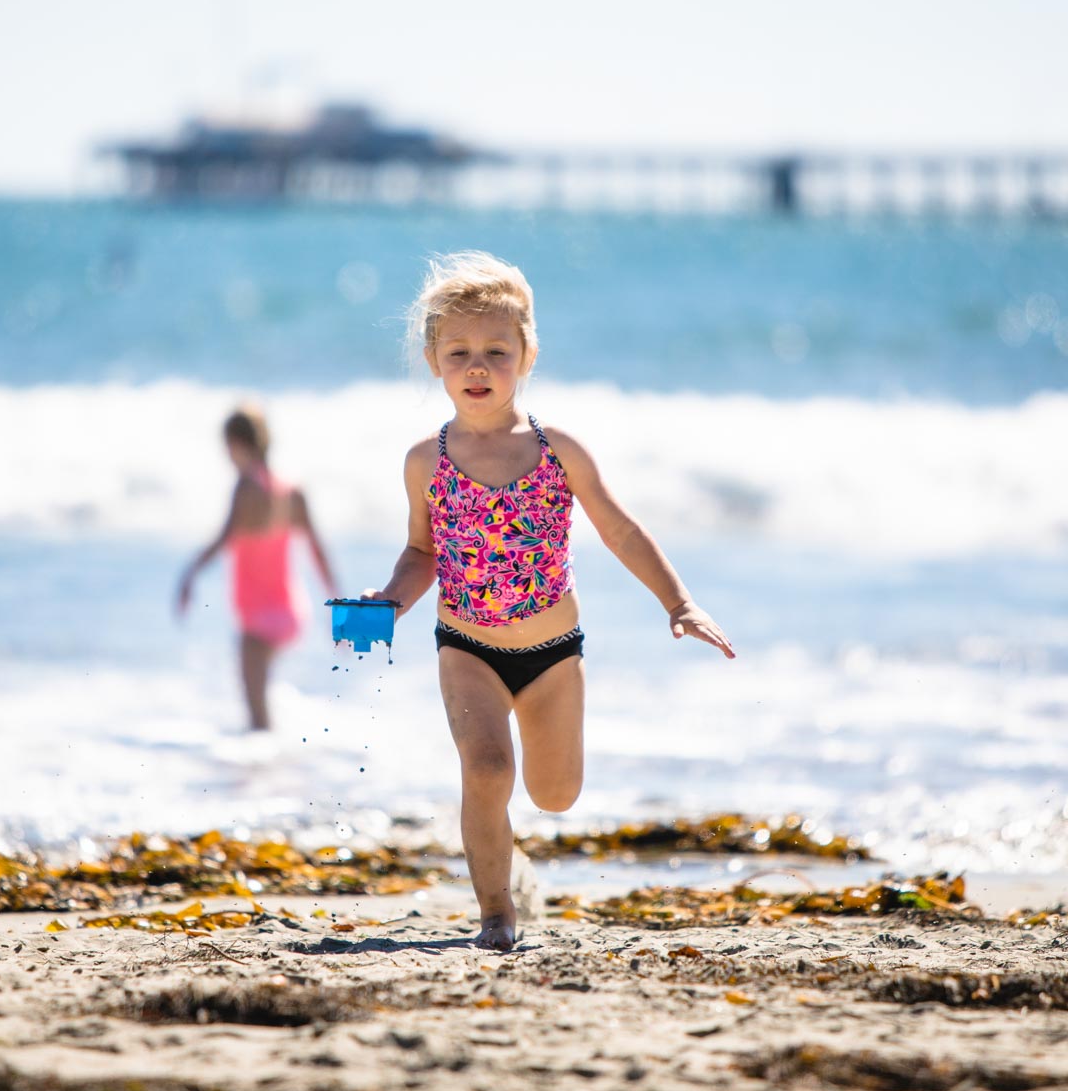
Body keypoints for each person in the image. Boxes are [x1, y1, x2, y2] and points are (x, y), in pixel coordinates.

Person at [364, 252, 736, 950]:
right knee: (487, 771)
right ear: (432, 360)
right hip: (465, 647)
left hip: (551, 656)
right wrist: (389, 600)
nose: (478, 366)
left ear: (528, 355)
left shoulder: (556, 450)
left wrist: (679, 603)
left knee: (555, 793)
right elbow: (423, 553)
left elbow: (622, 530)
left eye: (497, 351)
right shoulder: (426, 460)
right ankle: (496, 913)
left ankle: (515, 865)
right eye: (460, 352)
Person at [176, 406, 338, 732]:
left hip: (257, 620)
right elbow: (317, 551)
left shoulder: (246, 488)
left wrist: (190, 573)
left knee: (257, 722)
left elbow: (223, 539)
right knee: (264, 711)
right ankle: (279, 766)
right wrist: (337, 604)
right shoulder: (291, 492)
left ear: (236, 444)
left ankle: (261, 775)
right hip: (290, 614)